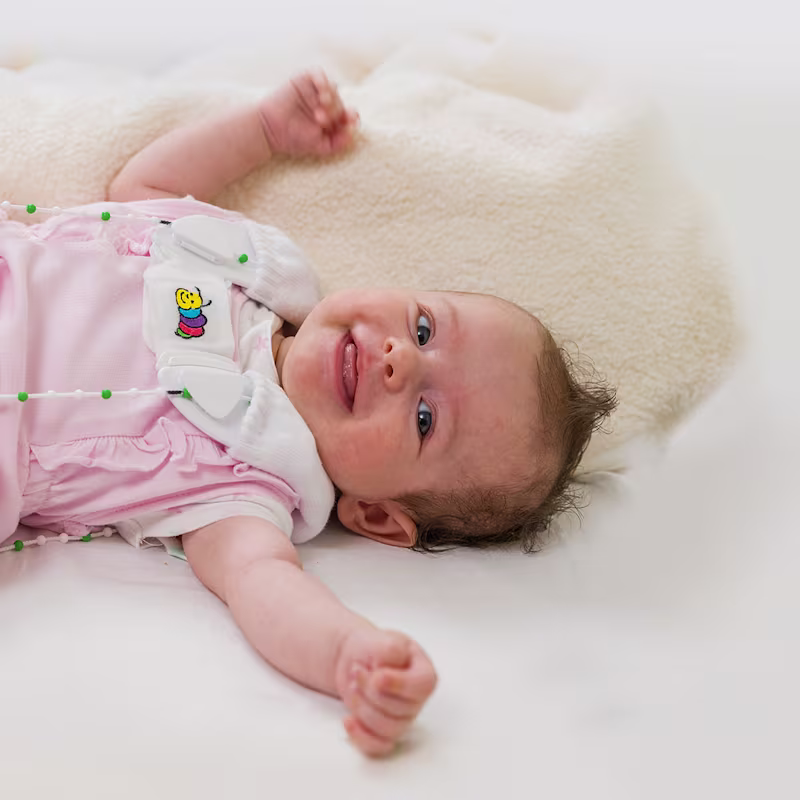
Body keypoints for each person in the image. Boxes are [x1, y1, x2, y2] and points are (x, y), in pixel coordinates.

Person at [0, 70, 616, 756]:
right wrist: (263, 131)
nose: (399, 363)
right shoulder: (243, 265)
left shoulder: (248, 487)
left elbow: (264, 591)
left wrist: (348, 653)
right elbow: (140, 191)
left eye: (423, 420)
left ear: (378, 516)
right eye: (421, 329)